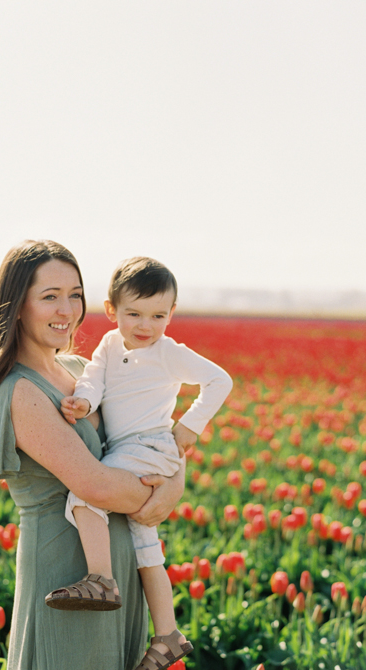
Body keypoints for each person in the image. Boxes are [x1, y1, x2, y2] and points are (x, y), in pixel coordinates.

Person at [0, 240, 186, 670]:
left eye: (74, 295)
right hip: (67, 576)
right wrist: (161, 498)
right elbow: (92, 483)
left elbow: (155, 430)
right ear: (18, 306)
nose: (66, 310)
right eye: (49, 297)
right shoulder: (18, 390)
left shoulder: (84, 373)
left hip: (119, 573)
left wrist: (175, 481)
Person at [48, 257, 232, 670]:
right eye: (133, 313)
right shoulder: (110, 345)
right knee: (147, 548)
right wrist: (85, 400)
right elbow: (94, 377)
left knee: (85, 493)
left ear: (171, 314)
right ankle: (168, 635)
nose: (145, 325)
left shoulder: (169, 353)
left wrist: (190, 425)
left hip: (149, 445)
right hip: (132, 449)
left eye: (158, 315)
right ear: (112, 310)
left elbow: (221, 380)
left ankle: (101, 579)